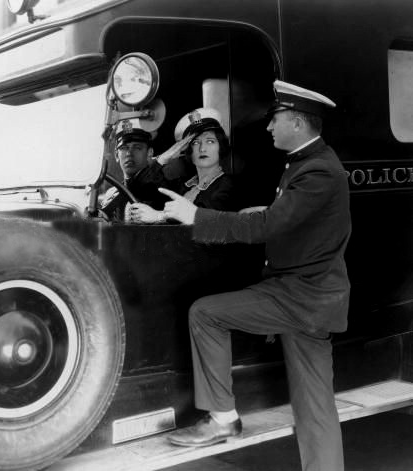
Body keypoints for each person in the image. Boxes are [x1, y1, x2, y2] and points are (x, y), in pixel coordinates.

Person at [163, 80, 350, 471]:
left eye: (276, 119)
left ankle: (222, 419)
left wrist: (195, 217)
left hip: (300, 297)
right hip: (313, 301)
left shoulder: (316, 171)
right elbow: (290, 220)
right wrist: (263, 214)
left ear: (297, 123)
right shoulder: (310, 163)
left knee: (205, 313)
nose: (269, 127)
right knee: (315, 409)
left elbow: (269, 227)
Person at [127, 108, 240, 224]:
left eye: (210, 141)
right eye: (195, 143)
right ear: (188, 151)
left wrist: (159, 216)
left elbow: (209, 219)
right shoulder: (182, 185)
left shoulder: (230, 185)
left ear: (221, 146)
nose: (202, 148)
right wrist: (165, 157)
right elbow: (138, 188)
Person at [101, 118, 192, 221]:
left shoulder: (163, 188)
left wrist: (159, 162)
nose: (129, 153)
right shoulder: (111, 194)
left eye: (137, 147)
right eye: (124, 148)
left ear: (149, 153)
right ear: (116, 155)